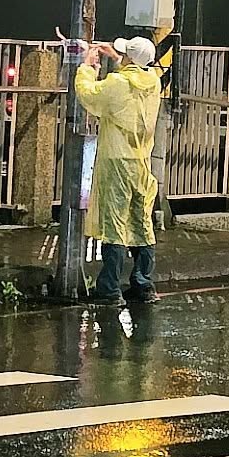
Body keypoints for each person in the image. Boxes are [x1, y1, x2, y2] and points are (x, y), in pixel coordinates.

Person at [75, 35, 163, 305]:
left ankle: (110, 289)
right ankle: (143, 284)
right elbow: (132, 77)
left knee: (115, 222)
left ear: (128, 59)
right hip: (141, 162)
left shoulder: (117, 83)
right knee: (141, 221)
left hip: (116, 160)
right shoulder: (154, 83)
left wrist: (87, 66)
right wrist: (117, 57)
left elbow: (89, 95)